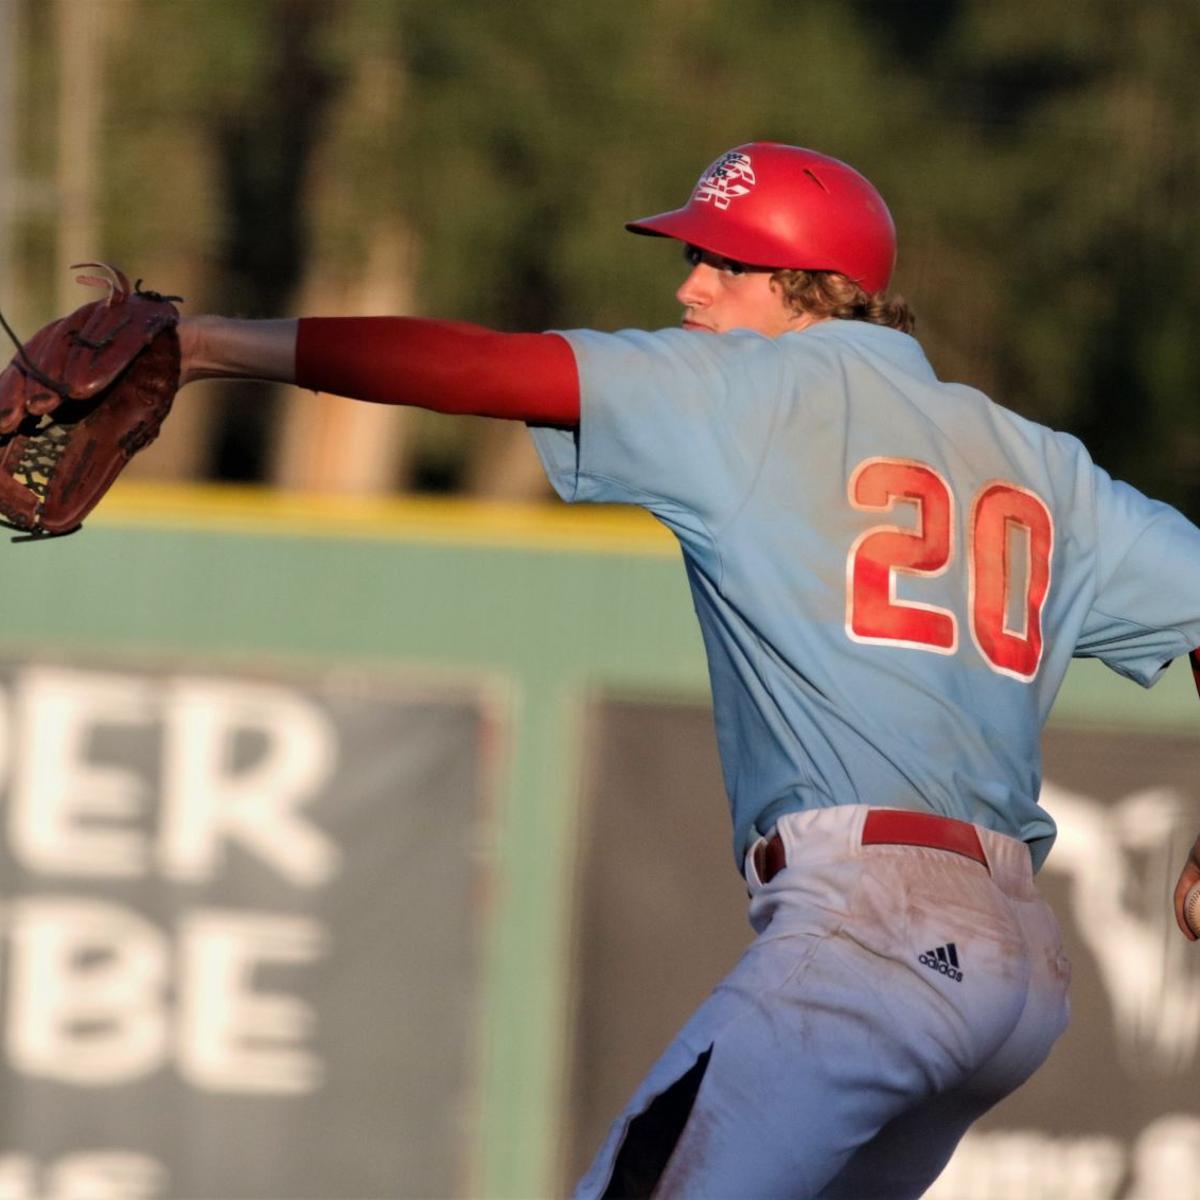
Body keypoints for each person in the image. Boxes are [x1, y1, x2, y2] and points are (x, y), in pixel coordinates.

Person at [176, 141, 1200, 1198]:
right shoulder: (1040, 460)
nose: (689, 285)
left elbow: (478, 366)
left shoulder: (738, 391)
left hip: (871, 931)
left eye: (723, 261)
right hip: (1016, 973)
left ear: (814, 284)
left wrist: (209, 344)